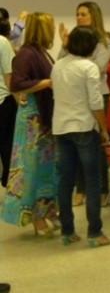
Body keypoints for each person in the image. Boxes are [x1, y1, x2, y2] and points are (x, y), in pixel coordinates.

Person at [51, 26, 110, 247]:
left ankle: (67, 231)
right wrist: (104, 129)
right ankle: (95, 233)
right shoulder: (89, 67)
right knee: (92, 181)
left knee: (65, 180)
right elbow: (96, 103)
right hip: (84, 127)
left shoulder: (58, 65)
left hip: (60, 128)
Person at [0, 12, 58, 236]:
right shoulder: (27, 53)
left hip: (43, 119)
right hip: (33, 120)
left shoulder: (41, 52)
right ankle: (36, 216)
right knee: (32, 170)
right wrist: (46, 83)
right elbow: (17, 83)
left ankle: (47, 211)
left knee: (46, 171)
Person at [59, 1, 110, 206]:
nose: (79, 18)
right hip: (77, 97)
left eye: (83, 14)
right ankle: (80, 189)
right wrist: (64, 45)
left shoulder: (103, 41)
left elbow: (98, 68)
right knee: (79, 143)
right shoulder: (72, 40)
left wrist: (77, 65)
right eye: (77, 14)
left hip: (98, 95)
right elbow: (60, 64)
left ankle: (102, 189)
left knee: (97, 145)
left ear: (93, 16)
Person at [0, 23, 17, 189]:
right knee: (7, 144)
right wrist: (20, 101)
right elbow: (8, 75)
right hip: (3, 100)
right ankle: (8, 182)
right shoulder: (2, 42)